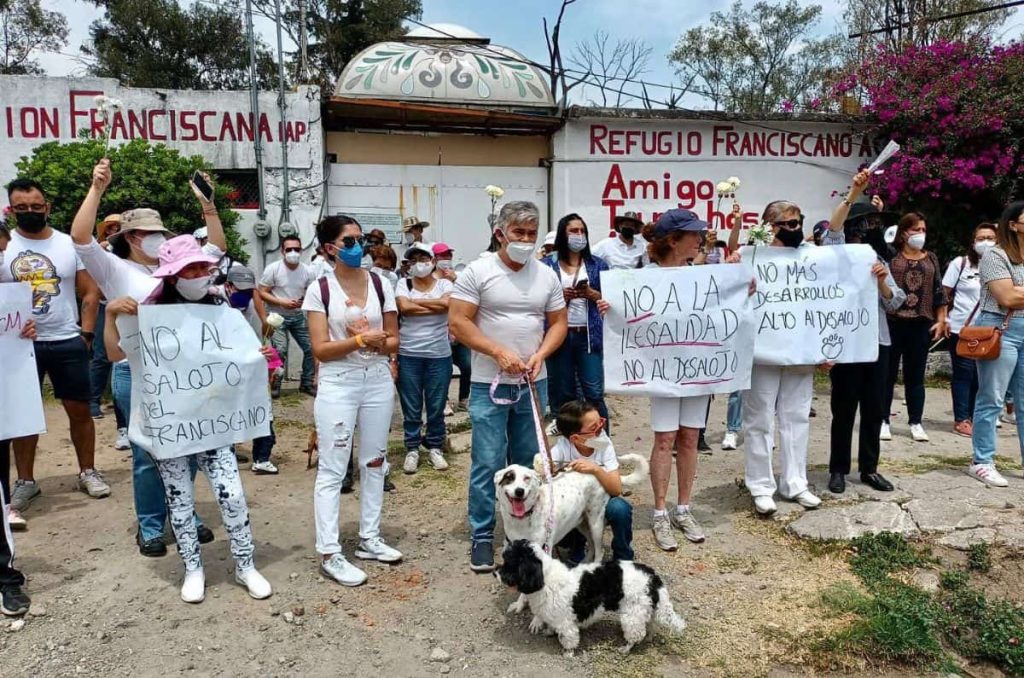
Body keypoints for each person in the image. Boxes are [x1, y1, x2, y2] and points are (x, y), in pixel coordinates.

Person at [105, 236, 273, 603]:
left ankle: (245, 565)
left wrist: (256, 355)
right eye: (190, 269)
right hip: (172, 427)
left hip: (213, 425)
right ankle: (193, 569)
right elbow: (115, 352)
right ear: (172, 276)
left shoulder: (220, 305)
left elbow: (234, 355)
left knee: (232, 495)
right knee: (179, 500)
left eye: (202, 267)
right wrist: (111, 315)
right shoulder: (145, 310)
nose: (199, 274)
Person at [71, 158, 216, 557]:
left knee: (186, 448)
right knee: (146, 454)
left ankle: (185, 514)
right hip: (134, 373)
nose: (155, 238)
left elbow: (216, 248)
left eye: (159, 232)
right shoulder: (112, 267)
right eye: (147, 233)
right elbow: (81, 238)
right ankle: (151, 524)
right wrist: (97, 188)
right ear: (131, 236)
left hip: (179, 374)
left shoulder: (176, 267)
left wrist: (209, 207)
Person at [449, 200, 567, 572]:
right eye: (519, 233)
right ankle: (483, 535)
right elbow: (458, 322)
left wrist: (542, 354)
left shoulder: (546, 275)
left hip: (533, 382)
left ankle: (535, 533)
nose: (526, 240)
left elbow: (558, 322)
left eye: (532, 234)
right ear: (500, 233)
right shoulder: (478, 271)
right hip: (489, 382)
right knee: (487, 461)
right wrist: (497, 352)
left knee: (530, 463)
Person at [304, 215, 403, 588]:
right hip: (339, 383)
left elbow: (394, 340)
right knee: (333, 467)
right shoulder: (321, 289)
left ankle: (369, 537)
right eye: (349, 241)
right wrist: (362, 341)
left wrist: (376, 341)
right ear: (330, 248)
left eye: (360, 239)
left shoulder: (380, 283)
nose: (358, 246)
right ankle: (330, 551)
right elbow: (321, 350)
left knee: (375, 461)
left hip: (377, 379)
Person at [0, 178, 107, 512]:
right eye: (22, 208)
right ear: (11, 209)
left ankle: (88, 470)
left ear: (47, 207)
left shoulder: (67, 244)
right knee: (24, 416)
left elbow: (90, 292)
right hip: (19, 345)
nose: (30, 212)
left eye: (36, 206)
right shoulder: (5, 247)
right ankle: (26, 482)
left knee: (80, 410)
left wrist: (86, 335)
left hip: (66, 338)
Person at [822, 170, 906, 494]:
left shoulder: (879, 259)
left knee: (874, 408)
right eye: (866, 222)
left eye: (874, 222)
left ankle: (869, 468)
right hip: (847, 344)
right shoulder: (837, 253)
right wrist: (855, 192)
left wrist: (883, 281)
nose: (871, 227)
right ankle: (838, 469)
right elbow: (833, 227)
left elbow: (895, 302)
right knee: (843, 409)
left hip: (878, 342)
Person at [640, 209, 719, 550]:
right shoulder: (646, 277)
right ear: (673, 240)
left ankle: (683, 507)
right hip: (665, 374)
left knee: (689, 437)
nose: (699, 239)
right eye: (693, 234)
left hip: (697, 371)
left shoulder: (702, 276)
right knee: (664, 439)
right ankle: (660, 511)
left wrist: (744, 291)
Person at [743, 201, 822, 516]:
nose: (795, 228)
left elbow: (826, 300)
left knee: (797, 417)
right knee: (759, 419)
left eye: (798, 222)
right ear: (770, 226)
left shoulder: (812, 259)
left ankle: (795, 483)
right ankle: (761, 486)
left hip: (800, 350)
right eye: (787, 223)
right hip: (763, 352)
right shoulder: (753, 259)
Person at [968, 201, 1024, 488]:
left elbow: (1017, 293)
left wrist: (1018, 291)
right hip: (1001, 328)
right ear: (1013, 224)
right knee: (992, 397)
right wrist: (1015, 292)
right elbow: (1008, 298)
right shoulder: (995, 255)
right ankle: (982, 461)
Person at [881, 212, 947, 442]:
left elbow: (939, 291)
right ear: (903, 232)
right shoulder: (891, 256)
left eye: (923, 230)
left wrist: (941, 319)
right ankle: (883, 420)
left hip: (921, 322)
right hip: (893, 321)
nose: (920, 234)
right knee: (887, 374)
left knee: (916, 375)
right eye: (915, 229)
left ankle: (915, 421)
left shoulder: (931, 259)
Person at [541, 213, 611, 427]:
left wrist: (593, 294)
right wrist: (561, 298)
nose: (579, 235)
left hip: (588, 336)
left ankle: (602, 446)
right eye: (573, 231)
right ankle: (569, 445)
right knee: (562, 393)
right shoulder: (546, 265)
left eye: (582, 231)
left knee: (594, 393)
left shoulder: (598, 264)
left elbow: (611, 298)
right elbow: (537, 301)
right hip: (558, 335)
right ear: (563, 234)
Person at [396, 242, 454, 474]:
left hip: (439, 354)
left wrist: (415, 303)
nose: (419, 264)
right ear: (409, 264)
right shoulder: (404, 283)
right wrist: (435, 305)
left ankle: (435, 447)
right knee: (411, 406)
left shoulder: (444, 283)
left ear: (432, 261)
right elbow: (404, 308)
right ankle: (412, 448)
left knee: (436, 404)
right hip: (409, 353)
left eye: (424, 258)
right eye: (414, 260)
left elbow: (448, 304)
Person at [550, 400, 633, 562]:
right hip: (573, 506)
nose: (600, 430)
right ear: (575, 438)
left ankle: (623, 557)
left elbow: (616, 489)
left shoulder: (603, 444)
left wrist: (596, 469)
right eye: (594, 428)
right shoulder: (561, 449)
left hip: (601, 500)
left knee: (620, 509)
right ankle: (575, 548)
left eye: (601, 423)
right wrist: (548, 468)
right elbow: (545, 473)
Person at [944, 223, 999, 437]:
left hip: (989, 331)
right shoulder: (961, 264)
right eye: (981, 237)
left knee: (982, 376)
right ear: (973, 242)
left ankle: (977, 417)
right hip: (962, 328)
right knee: (963, 373)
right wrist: (944, 318)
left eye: (990, 237)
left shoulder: (1002, 266)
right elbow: (945, 292)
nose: (985, 241)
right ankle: (961, 418)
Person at [224, 265, 278, 475]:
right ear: (228, 286)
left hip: (253, 360)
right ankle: (224, 452)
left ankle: (262, 457)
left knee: (262, 409)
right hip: (226, 363)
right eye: (240, 290)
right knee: (226, 410)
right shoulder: (217, 301)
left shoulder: (253, 300)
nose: (244, 294)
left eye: (249, 290)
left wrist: (269, 330)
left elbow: (264, 327)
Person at [259, 235, 317, 398]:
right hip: (277, 316)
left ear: (301, 250)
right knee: (280, 350)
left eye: (296, 249)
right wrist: (280, 302)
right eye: (289, 249)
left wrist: (303, 301)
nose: (293, 252)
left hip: (298, 315)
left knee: (311, 348)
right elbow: (262, 292)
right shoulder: (273, 269)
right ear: (282, 251)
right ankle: (275, 384)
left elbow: (312, 293)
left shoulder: (307, 271)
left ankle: (306, 383)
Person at [89, 213, 130, 440]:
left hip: (132, 307)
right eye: (110, 227)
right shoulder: (101, 249)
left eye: (118, 227)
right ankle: (93, 400)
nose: (114, 230)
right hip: (107, 306)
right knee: (102, 355)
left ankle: (124, 419)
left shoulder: (130, 249)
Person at [433, 242, 470, 411]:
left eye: (449, 256)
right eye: (442, 256)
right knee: (445, 369)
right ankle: (445, 401)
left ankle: (464, 398)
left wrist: (455, 279)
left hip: (459, 330)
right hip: (441, 331)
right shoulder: (431, 280)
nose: (446, 259)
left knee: (467, 366)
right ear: (435, 259)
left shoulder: (459, 277)